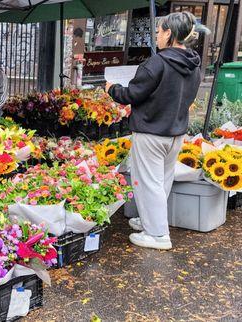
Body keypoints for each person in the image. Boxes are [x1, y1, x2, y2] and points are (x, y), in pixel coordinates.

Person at [106, 12, 210, 250]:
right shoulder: (193, 63)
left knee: (148, 181)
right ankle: (150, 221)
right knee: (162, 180)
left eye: (159, 31)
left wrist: (112, 88)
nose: (157, 36)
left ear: (169, 33)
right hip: (175, 132)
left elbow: (131, 94)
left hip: (151, 131)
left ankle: (157, 235)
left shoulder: (157, 62)